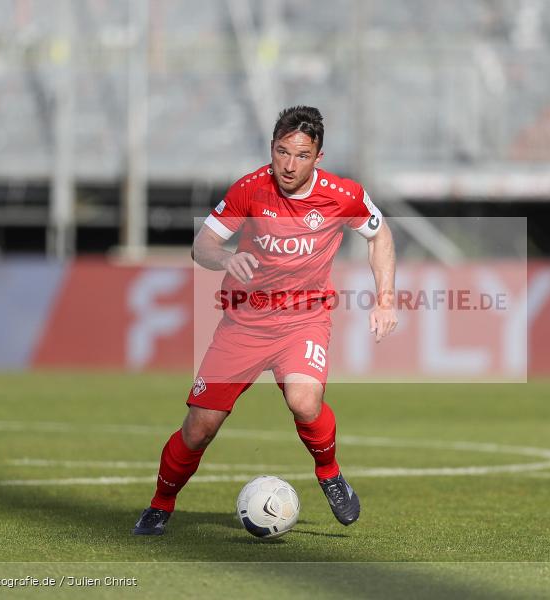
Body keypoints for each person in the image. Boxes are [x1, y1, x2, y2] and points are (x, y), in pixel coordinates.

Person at [133, 105, 397, 535]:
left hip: (304, 318)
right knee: (200, 428)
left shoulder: (342, 194)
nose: (289, 165)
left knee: (304, 401)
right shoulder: (250, 190)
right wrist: (226, 256)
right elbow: (203, 247)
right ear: (271, 148)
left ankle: (329, 473)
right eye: (281, 152)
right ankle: (160, 505)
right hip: (244, 325)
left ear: (318, 157)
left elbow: (379, 233)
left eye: (301, 155)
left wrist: (385, 299)